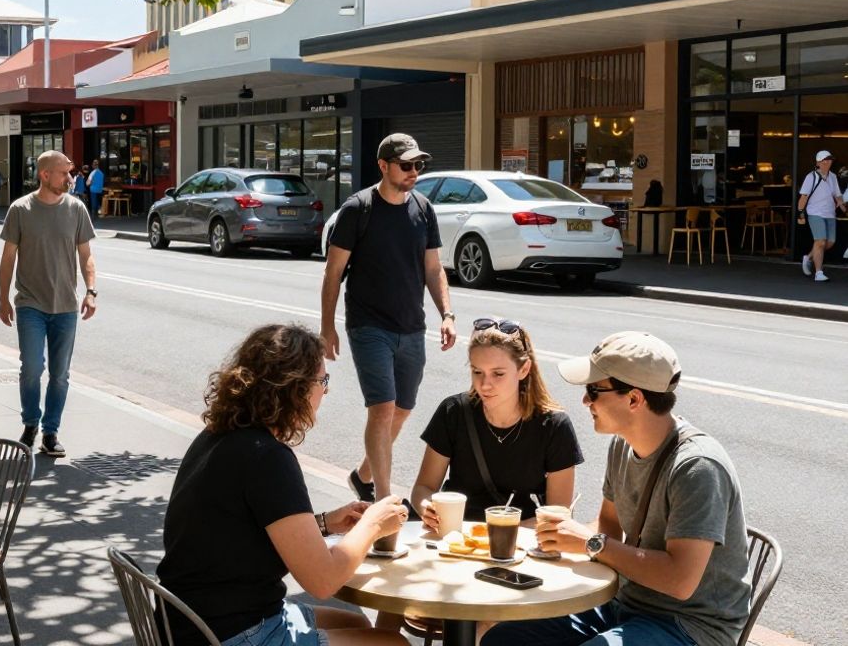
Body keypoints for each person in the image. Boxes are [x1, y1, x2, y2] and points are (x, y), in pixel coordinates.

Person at [483, 331, 751, 646]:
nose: (585, 401)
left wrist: (592, 543)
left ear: (634, 399)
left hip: (691, 625)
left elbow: (680, 581)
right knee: (505, 638)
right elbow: (608, 526)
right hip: (626, 602)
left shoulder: (698, 467)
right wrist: (555, 538)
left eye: (593, 391)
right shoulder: (622, 446)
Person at [158, 324, 411, 646]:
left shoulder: (220, 436)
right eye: (323, 381)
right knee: (393, 644)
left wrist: (323, 523)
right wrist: (373, 525)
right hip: (228, 632)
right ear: (296, 388)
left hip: (190, 620)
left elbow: (244, 531)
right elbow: (323, 580)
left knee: (356, 622)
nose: (326, 391)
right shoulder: (268, 458)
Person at [320, 133, 455, 548]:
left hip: (411, 327)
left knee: (403, 409)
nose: (414, 173)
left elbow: (433, 269)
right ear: (383, 166)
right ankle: (382, 498)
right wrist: (328, 326)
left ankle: (362, 475)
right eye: (406, 166)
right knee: (382, 409)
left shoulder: (423, 209)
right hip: (368, 326)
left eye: (418, 166)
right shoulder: (357, 210)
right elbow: (333, 273)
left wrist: (446, 314)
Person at [411, 318, 582, 528]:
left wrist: (496, 534)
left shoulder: (555, 426)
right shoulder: (453, 412)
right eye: (477, 372)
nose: (484, 384)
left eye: (498, 374)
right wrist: (427, 508)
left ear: (524, 369)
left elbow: (559, 514)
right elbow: (424, 487)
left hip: (522, 538)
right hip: (456, 533)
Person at [0, 150, 97, 457]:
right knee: (31, 367)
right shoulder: (21, 209)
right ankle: (30, 424)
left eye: (71, 173)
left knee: (60, 373)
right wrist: (3, 298)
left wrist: (91, 291)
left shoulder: (77, 209)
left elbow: (86, 255)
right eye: (64, 173)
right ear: (45, 175)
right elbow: (8, 257)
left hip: (66, 305)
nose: (70, 178)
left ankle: (50, 432)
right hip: (30, 304)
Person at [797, 150, 844, 282]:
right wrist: (800, 213)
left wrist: (841, 204)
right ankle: (819, 273)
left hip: (830, 213)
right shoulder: (811, 177)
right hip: (815, 213)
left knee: (829, 242)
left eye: (829, 160)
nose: (828, 162)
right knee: (820, 241)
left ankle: (809, 257)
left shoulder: (833, 176)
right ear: (818, 162)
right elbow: (803, 197)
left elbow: (837, 194)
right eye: (825, 160)